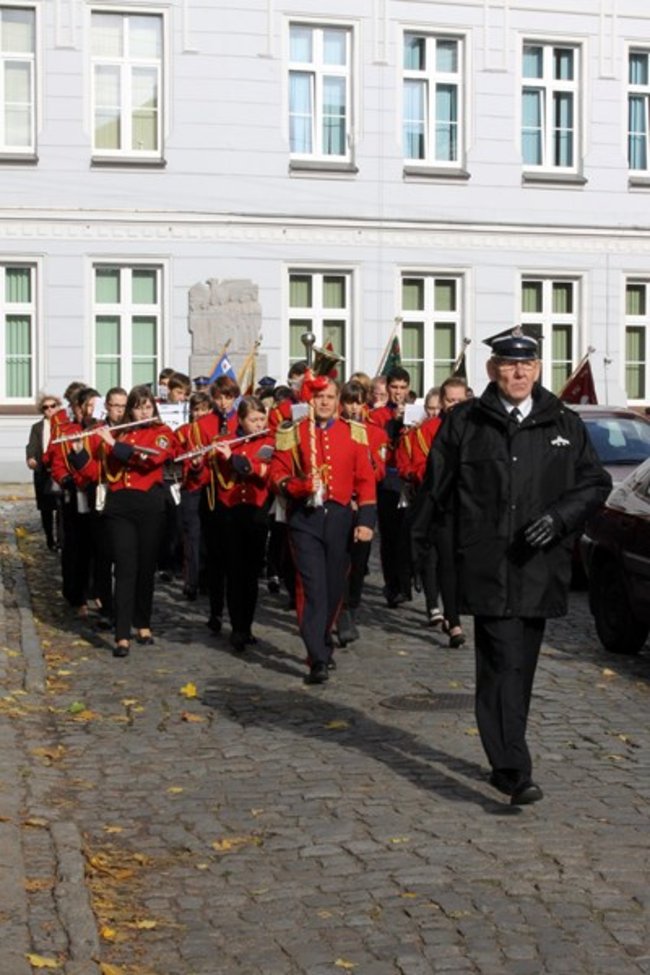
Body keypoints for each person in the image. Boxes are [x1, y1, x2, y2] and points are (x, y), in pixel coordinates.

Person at [421, 327, 611, 805]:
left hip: (540, 567)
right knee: (502, 661)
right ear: (492, 370)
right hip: (488, 565)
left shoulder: (562, 422)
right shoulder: (465, 422)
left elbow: (595, 482)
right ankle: (511, 768)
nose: (519, 371)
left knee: (519, 669)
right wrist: (441, 557)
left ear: (539, 368)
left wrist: (560, 518)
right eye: (508, 363)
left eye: (527, 363)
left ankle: (505, 754)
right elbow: (436, 494)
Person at [269, 377, 377, 685]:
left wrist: (366, 521)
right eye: (319, 397)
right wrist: (298, 486)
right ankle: (316, 655)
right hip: (305, 518)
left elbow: (365, 480)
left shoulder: (353, 433)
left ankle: (324, 642)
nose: (326, 402)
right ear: (310, 400)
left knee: (333, 589)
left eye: (331, 396)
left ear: (339, 400)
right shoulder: (294, 432)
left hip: (340, 517)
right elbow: (277, 474)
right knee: (312, 589)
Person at [74, 385, 175, 657]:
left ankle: (142, 622)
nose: (143, 411)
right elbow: (99, 470)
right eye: (138, 406)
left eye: (148, 406)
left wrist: (113, 444)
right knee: (125, 566)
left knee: (145, 567)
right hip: (119, 506)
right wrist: (79, 453)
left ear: (153, 408)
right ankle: (121, 635)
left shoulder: (162, 434)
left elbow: (150, 460)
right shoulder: (118, 432)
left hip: (150, 505)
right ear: (130, 409)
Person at [212, 396, 274, 651]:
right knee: (234, 571)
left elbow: (265, 472)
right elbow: (219, 477)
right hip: (231, 511)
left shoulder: (269, 443)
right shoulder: (225, 442)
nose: (259, 424)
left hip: (257, 511)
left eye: (262, 419)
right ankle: (237, 626)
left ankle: (246, 625)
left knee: (251, 572)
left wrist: (236, 460)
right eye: (253, 420)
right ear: (241, 420)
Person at [370, 366, 412, 607]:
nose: (398, 392)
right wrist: (393, 423)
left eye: (402, 388)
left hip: (410, 479)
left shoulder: (416, 411)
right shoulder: (378, 416)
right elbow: (377, 443)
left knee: (408, 533)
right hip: (388, 478)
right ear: (387, 389)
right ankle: (392, 584)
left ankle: (406, 581)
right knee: (390, 534)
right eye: (394, 388)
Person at [26, 393, 62, 550]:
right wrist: (31, 458)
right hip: (43, 472)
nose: (50, 410)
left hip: (60, 472)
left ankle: (61, 539)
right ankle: (50, 539)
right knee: (46, 509)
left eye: (53, 406)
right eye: (46, 407)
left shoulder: (64, 425)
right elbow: (32, 446)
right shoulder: (37, 427)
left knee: (61, 508)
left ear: (58, 407)